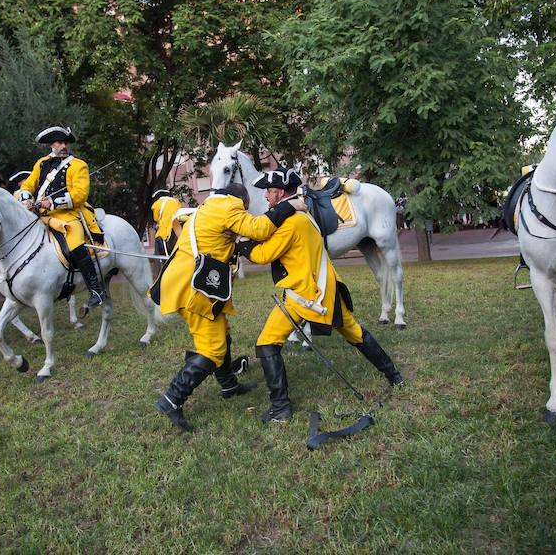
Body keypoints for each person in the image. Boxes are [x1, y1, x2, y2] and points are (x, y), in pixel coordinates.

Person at [237, 168, 404, 423]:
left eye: (270, 192)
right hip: (327, 290)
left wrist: (241, 243)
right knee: (356, 333)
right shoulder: (302, 215)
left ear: (280, 192)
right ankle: (395, 376)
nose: (267, 197)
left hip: (305, 296)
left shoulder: (292, 223)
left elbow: (262, 255)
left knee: (266, 343)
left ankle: (281, 409)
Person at [150, 183, 303, 432]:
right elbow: (259, 228)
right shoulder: (229, 205)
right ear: (241, 200)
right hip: (193, 289)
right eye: (246, 207)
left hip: (187, 282)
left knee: (222, 331)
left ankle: (229, 385)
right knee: (212, 349)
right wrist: (288, 206)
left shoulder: (209, 206)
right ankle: (171, 400)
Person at [17, 126, 106, 311]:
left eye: (66, 142)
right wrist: (25, 198)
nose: (64, 145)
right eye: (60, 142)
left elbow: (80, 194)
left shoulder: (78, 165)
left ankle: (96, 290)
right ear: (51, 144)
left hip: (69, 215)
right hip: (41, 216)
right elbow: (28, 186)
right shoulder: (41, 163)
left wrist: (52, 202)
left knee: (75, 243)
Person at [150, 188, 182, 257]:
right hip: (178, 221)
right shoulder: (176, 201)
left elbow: (156, 218)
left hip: (166, 223)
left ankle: (164, 256)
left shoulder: (156, 204)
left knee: (159, 237)